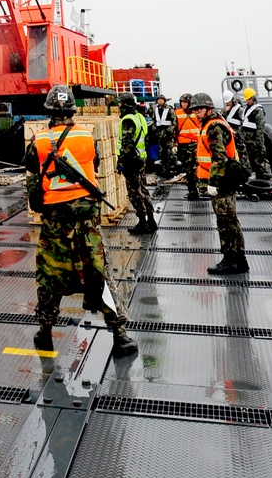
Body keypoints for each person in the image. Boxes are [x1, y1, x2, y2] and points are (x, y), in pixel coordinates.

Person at [25, 86, 138, 358]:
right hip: (87, 222)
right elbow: (94, 165)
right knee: (100, 272)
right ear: (73, 111)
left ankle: (44, 331)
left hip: (55, 222)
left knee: (49, 277)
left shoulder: (38, 141)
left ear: (49, 111)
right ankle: (120, 336)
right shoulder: (87, 135)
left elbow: (32, 187)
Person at [188, 91, 249, 275]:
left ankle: (230, 260)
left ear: (208, 108)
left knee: (225, 221)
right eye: (194, 109)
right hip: (225, 180)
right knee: (231, 220)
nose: (196, 112)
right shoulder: (213, 123)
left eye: (199, 109)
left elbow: (219, 157)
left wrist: (213, 183)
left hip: (221, 183)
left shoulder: (213, 127)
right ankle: (240, 259)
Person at [116, 94, 156, 235]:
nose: (118, 106)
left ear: (124, 105)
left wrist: (121, 163)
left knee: (134, 192)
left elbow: (127, 144)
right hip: (141, 159)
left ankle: (143, 223)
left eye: (120, 103)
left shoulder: (128, 120)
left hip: (131, 161)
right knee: (144, 190)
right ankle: (151, 220)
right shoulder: (139, 116)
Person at [238, 87, 272, 181]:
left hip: (254, 139)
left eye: (248, 99)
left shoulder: (258, 110)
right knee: (249, 157)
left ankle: (266, 175)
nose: (247, 101)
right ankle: (251, 174)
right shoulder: (247, 109)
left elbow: (260, 127)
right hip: (247, 139)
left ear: (252, 98)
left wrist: (259, 141)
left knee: (260, 157)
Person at [174, 93, 200, 199]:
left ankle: (202, 188)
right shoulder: (177, 113)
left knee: (200, 167)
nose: (183, 104)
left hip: (196, 143)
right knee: (188, 169)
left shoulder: (197, 112)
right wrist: (174, 144)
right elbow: (173, 129)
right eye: (182, 102)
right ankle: (193, 191)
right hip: (184, 144)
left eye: (185, 102)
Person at [150, 93, 178, 177]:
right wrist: (154, 128)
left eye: (161, 100)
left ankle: (172, 168)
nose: (160, 101)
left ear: (164, 100)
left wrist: (170, 130)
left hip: (168, 134)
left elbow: (174, 121)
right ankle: (164, 169)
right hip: (159, 134)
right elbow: (154, 120)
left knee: (170, 151)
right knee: (162, 152)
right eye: (158, 100)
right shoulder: (156, 109)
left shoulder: (169, 109)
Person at [223, 91, 251, 169]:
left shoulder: (239, 109)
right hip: (229, 134)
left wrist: (238, 132)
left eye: (229, 101)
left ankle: (246, 169)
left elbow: (244, 122)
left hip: (237, 135)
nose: (228, 103)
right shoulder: (225, 109)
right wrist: (224, 111)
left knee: (242, 152)